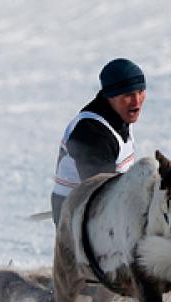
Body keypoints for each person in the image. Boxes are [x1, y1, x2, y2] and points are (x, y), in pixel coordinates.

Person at [50, 58, 146, 225]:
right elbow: (103, 193)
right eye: (128, 94)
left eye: (140, 91)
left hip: (107, 205)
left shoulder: (119, 117)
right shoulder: (91, 133)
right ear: (110, 96)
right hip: (78, 214)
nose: (137, 101)